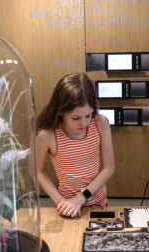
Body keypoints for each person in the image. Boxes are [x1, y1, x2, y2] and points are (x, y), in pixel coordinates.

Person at [36, 73, 115, 217]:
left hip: (99, 203)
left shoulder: (100, 123)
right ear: (60, 111)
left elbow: (109, 168)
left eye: (88, 115)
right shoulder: (47, 135)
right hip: (67, 207)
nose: (84, 123)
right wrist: (60, 201)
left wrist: (81, 197)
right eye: (76, 118)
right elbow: (38, 171)